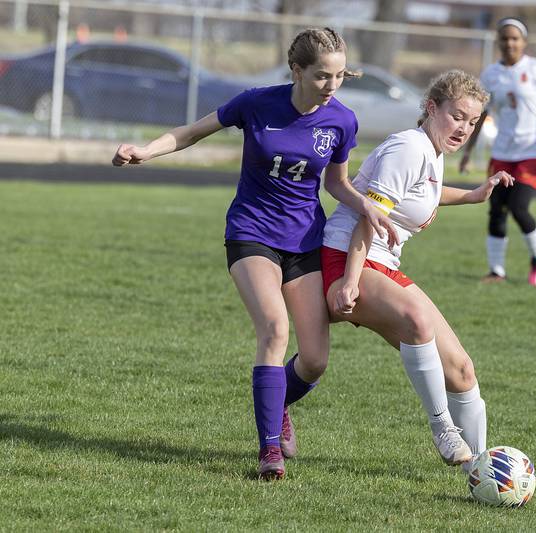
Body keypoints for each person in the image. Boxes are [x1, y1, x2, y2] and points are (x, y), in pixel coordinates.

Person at [112, 27, 397, 481]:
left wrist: (369, 208)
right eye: (323, 76)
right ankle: (269, 451)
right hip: (252, 233)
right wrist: (146, 151)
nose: (332, 86)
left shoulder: (341, 120)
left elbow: (337, 183)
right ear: (297, 71)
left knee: (317, 359)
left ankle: (277, 403)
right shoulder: (257, 103)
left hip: (305, 241)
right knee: (274, 328)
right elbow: (191, 132)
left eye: (341, 76)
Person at [321, 70, 514, 468]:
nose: (464, 128)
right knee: (416, 319)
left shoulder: (433, 150)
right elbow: (367, 218)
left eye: (473, 122)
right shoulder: (409, 147)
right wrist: (349, 282)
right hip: (347, 256)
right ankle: (443, 427)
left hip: (382, 263)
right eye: (457, 116)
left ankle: (481, 468)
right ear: (431, 108)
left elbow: (425, 191)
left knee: (461, 370)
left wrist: (475, 195)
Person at [459, 17, 536, 286]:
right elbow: (480, 114)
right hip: (502, 151)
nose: (509, 43)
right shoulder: (491, 74)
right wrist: (468, 150)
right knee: (495, 209)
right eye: (504, 38)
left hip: (531, 150)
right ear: (498, 42)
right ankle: (496, 271)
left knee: (518, 207)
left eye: (515, 38)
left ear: (524, 42)